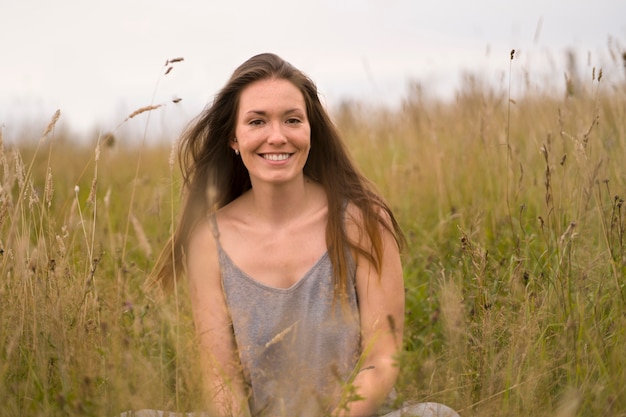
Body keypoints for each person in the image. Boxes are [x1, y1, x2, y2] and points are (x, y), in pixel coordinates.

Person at [149, 53, 460, 417]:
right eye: (257, 121)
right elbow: (221, 380)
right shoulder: (209, 240)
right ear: (234, 138)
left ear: (310, 131)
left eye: (292, 120)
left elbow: (382, 358)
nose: (277, 136)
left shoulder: (363, 221)